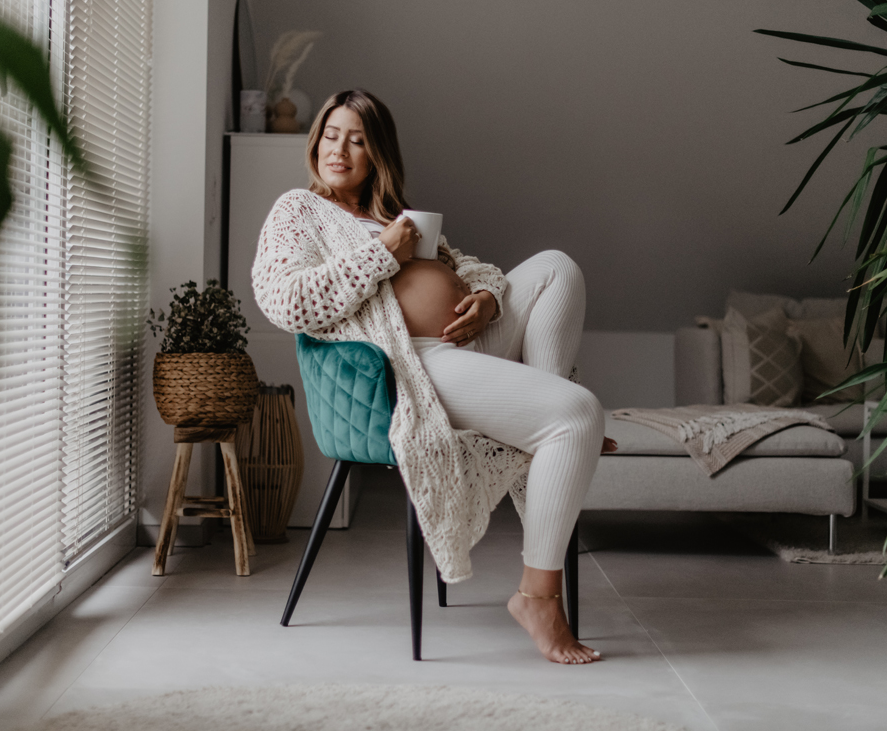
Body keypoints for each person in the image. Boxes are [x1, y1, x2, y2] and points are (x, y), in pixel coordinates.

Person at [252, 89, 615, 665]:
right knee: (580, 415)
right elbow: (288, 303)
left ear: (378, 155)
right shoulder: (299, 210)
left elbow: (471, 268)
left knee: (556, 268)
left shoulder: (393, 216)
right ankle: (538, 595)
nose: (339, 149)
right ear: (316, 140)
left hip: (462, 343)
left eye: (357, 139)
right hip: (411, 367)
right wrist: (383, 254)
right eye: (330, 134)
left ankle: (546, 412)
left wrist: (488, 299)